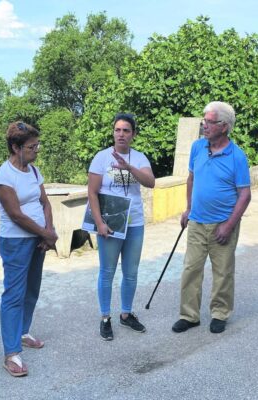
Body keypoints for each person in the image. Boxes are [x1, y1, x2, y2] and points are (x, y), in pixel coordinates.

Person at [172, 101, 251, 335]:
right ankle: (189, 315)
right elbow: (191, 179)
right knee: (191, 269)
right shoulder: (197, 147)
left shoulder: (237, 156)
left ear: (224, 126)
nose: (204, 125)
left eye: (209, 122)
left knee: (223, 271)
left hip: (222, 224)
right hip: (197, 221)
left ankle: (219, 313)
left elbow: (245, 195)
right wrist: (188, 209)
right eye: (204, 120)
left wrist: (228, 225)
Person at [0, 122, 57, 377]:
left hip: (39, 239)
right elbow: (16, 215)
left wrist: (48, 230)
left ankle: (23, 331)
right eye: (31, 147)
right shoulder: (3, 177)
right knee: (14, 294)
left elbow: (45, 202)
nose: (36, 151)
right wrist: (46, 234)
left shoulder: (32, 170)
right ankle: (11, 353)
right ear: (16, 147)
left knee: (32, 289)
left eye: (37, 145)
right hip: (16, 241)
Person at [87, 113, 156, 341]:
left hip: (134, 222)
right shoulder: (101, 158)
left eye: (126, 131)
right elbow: (92, 192)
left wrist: (128, 167)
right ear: (113, 132)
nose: (121, 134)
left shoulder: (139, 158)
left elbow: (150, 182)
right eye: (118, 130)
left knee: (131, 272)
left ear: (133, 135)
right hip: (110, 222)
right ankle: (105, 317)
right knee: (107, 272)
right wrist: (99, 222)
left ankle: (126, 314)